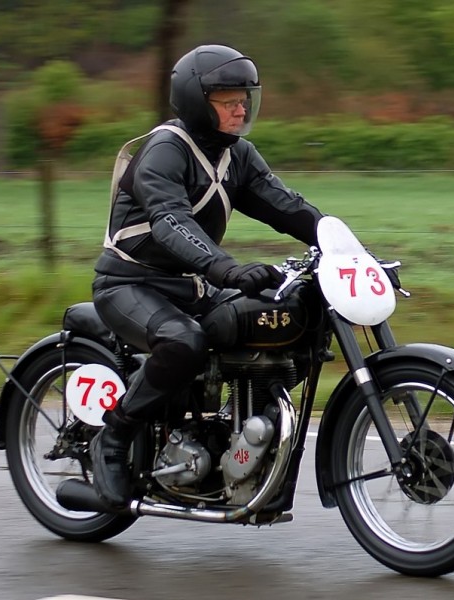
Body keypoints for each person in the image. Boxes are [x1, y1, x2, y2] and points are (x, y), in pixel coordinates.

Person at [90, 44, 325, 507]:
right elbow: (170, 221)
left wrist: (346, 248)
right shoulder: (165, 150)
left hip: (194, 284)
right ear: (198, 101)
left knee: (288, 318)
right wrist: (228, 268)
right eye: (227, 100)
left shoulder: (238, 155)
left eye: (244, 98)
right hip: (130, 283)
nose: (241, 108)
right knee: (184, 342)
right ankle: (113, 437)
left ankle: (241, 432)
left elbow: (287, 207)